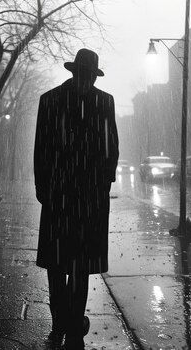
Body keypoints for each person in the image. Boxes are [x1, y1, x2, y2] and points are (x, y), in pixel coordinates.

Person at [34, 48, 119, 349]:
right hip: (83, 199)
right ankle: (70, 325)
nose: (85, 80)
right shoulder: (103, 101)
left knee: (63, 264)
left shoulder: (51, 99)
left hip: (65, 196)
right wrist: (101, 185)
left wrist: (44, 188)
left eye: (87, 75)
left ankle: (64, 324)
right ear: (84, 73)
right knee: (74, 265)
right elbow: (111, 150)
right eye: (85, 74)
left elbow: (42, 150)